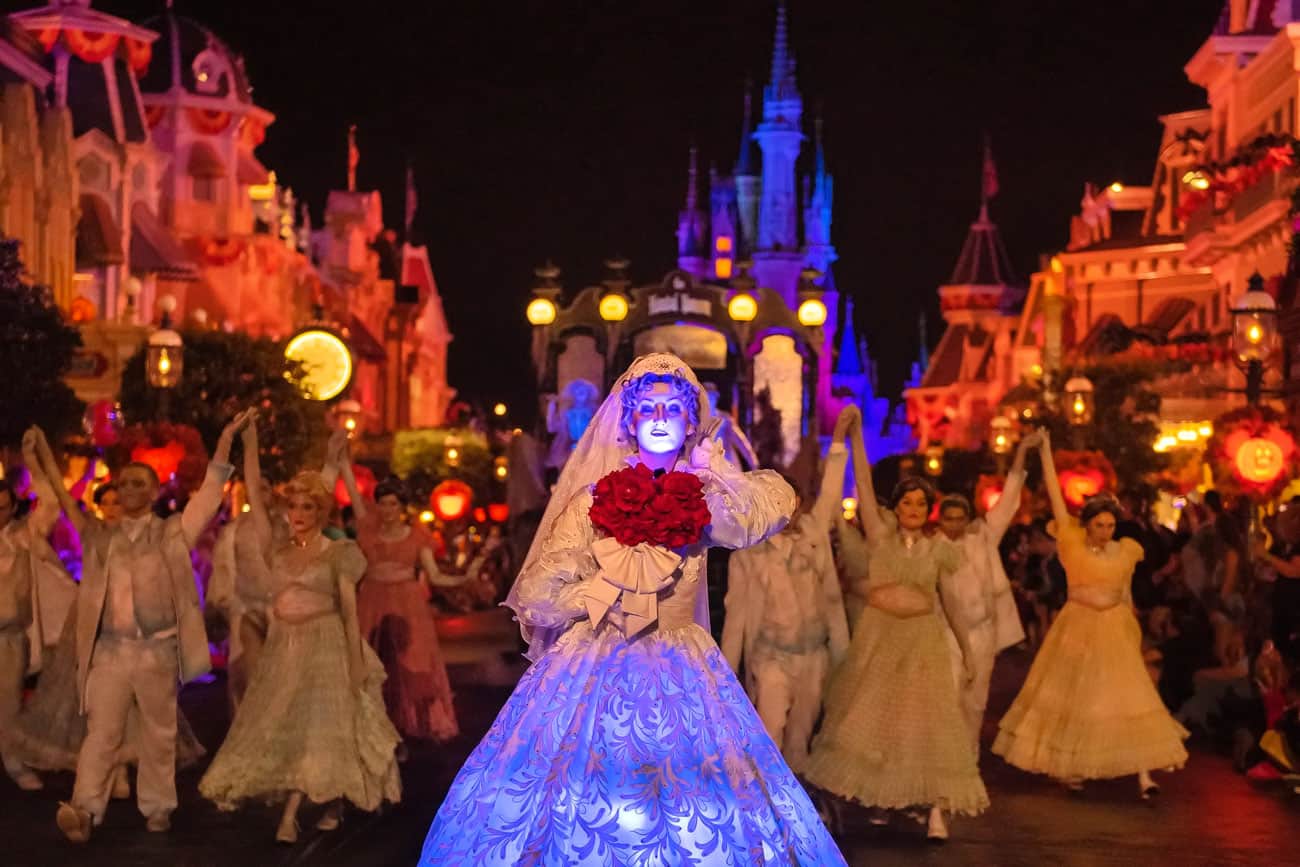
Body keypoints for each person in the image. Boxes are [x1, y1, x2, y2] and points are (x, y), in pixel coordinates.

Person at [419, 353, 844, 865]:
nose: (660, 418)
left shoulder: (706, 497)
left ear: (690, 421)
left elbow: (767, 512)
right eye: (647, 408)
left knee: (687, 789)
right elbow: (535, 591)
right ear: (629, 421)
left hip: (680, 659)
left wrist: (721, 468)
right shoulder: (593, 499)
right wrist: (598, 593)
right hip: (596, 655)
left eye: (672, 408)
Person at [35, 413, 251, 842]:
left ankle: (158, 807)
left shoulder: (172, 535)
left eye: (139, 483)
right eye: (125, 482)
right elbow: (63, 500)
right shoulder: (99, 537)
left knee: (158, 734)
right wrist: (41, 452)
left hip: (155, 651)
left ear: (154, 492)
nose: (129, 489)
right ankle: (84, 809)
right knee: (101, 734)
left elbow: (208, 498)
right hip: (111, 653)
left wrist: (225, 443)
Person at [199, 415, 400, 844]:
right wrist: (249, 443)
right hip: (284, 645)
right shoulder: (278, 547)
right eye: (295, 507)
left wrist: (355, 662)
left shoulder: (337, 552)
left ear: (321, 511)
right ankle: (326, 800)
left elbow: (347, 613)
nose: (299, 514)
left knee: (322, 725)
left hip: (326, 642)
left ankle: (294, 814)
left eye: (309, 507)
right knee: (288, 723)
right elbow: (254, 491)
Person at [804, 424, 986, 842]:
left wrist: (969, 651)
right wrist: (854, 438)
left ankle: (935, 810)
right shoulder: (882, 535)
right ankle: (882, 797)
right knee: (880, 719)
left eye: (922, 503)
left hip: (922, 642)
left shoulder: (939, 549)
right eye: (908, 501)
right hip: (881, 639)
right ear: (898, 505)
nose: (915, 508)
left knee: (928, 724)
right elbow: (865, 487)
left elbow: (952, 603)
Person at [993, 431, 1188, 799]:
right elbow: (1054, 494)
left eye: (1110, 525)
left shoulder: (1125, 550)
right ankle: (1072, 765)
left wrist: (1133, 628)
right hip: (1078, 624)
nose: (1105, 531)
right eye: (1099, 525)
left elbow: (1126, 591)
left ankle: (1144, 774)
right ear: (1088, 525)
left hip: (1114, 625)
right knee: (1078, 697)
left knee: (1129, 696)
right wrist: (1046, 451)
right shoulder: (1071, 541)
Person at [721, 405, 854, 770]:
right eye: (780, 505)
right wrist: (725, 675)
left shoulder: (812, 537)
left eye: (794, 505)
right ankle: (764, 804)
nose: (790, 513)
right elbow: (736, 618)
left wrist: (839, 439)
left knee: (800, 735)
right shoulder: (750, 554)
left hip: (812, 654)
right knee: (770, 727)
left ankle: (794, 810)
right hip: (771, 656)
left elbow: (828, 497)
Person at [343, 454, 459, 748]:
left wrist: (465, 577)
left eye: (393, 504)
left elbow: (434, 575)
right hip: (372, 600)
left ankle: (410, 724)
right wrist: (342, 461)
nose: (387, 510)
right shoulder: (368, 529)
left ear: (402, 507)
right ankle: (373, 727)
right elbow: (355, 497)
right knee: (372, 660)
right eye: (383, 503)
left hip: (407, 604)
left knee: (410, 663)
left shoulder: (417, 536)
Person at [935, 432, 1036, 751]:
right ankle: (948, 775)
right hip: (947, 635)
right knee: (948, 702)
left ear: (968, 518)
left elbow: (1008, 502)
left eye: (959, 518)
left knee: (976, 703)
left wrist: (1021, 452)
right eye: (948, 518)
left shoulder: (982, 538)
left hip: (983, 633)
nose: (954, 524)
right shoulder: (931, 548)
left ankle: (969, 770)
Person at [0, 430, 60, 792]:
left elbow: (50, 502)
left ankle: (13, 759)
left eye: (2, 506)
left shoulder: (22, 536)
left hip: (9, 637)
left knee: (8, 702)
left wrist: (33, 461)